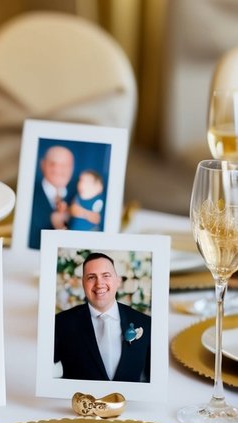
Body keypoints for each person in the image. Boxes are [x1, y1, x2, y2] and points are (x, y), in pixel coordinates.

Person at [54, 251, 151, 383]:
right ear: (83, 283)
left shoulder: (145, 323)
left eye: (106, 276)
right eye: (91, 277)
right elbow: (44, 369)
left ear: (118, 281)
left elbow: (151, 377)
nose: (99, 283)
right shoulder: (61, 323)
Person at [28, 144, 75, 250]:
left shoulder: (81, 194)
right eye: (53, 164)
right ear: (43, 164)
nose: (58, 170)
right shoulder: (28, 193)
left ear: (72, 168)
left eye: (64, 165)